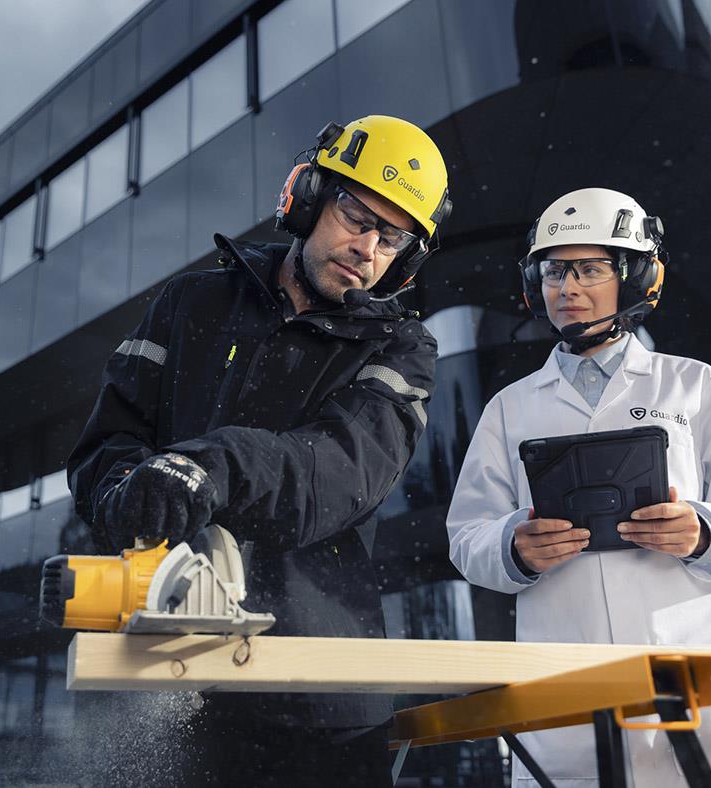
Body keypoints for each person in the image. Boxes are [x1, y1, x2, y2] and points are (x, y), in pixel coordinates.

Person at [67, 115, 452, 786]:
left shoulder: (399, 350)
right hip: (175, 676)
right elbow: (106, 442)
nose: (366, 247)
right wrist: (132, 490)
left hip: (321, 701)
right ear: (305, 198)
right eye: (355, 215)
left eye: (391, 239)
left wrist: (209, 466)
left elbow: (337, 475)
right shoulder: (189, 305)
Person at [446, 187, 711, 787]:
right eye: (554, 271)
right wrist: (514, 546)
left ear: (636, 277)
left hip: (700, 679)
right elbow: (466, 535)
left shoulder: (694, 387)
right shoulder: (509, 409)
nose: (568, 287)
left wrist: (705, 530)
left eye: (589, 269)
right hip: (565, 690)